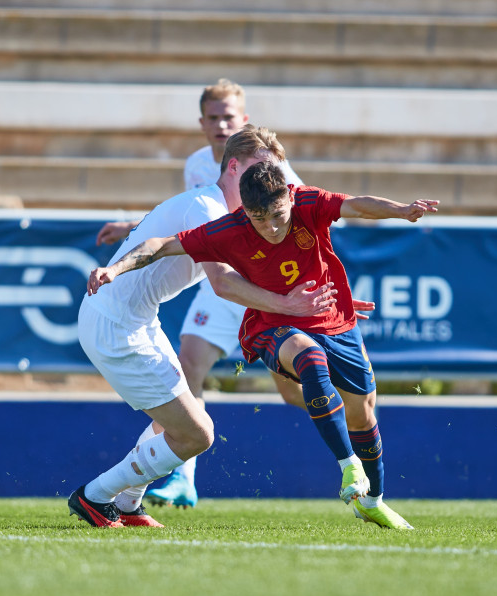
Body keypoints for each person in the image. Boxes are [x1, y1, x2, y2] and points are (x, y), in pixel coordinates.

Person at [88, 160, 440, 529]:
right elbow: (161, 245)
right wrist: (114, 269)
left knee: (363, 411)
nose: (270, 228)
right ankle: (348, 466)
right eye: (259, 219)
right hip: (272, 326)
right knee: (309, 358)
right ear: (244, 211)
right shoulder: (230, 229)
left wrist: (403, 210)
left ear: (289, 196)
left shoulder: (308, 203)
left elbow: (357, 204)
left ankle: (373, 500)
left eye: (277, 216)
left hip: (334, 319)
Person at [68, 126, 340, 528]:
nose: (268, 183)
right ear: (233, 167)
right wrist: (288, 304)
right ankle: (95, 496)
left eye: (274, 174)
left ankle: (126, 503)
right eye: (260, 170)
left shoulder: (227, 213)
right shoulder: (208, 206)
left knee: (174, 421)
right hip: (116, 326)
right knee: (198, 435)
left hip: (134, 321)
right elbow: (223, 282)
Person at [96, 80, 306, 509]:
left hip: (260, 282)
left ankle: (349, 419)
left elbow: (304, 215)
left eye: (229, 117)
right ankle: (181, 479)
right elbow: (196, 217)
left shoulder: (270, 168)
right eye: (213, 117)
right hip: (222, 276)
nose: (221, 124)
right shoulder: (198, 165)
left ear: (243, 121)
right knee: (189, 364)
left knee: (291, 391)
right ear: (201, 122)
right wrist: (136, 229)